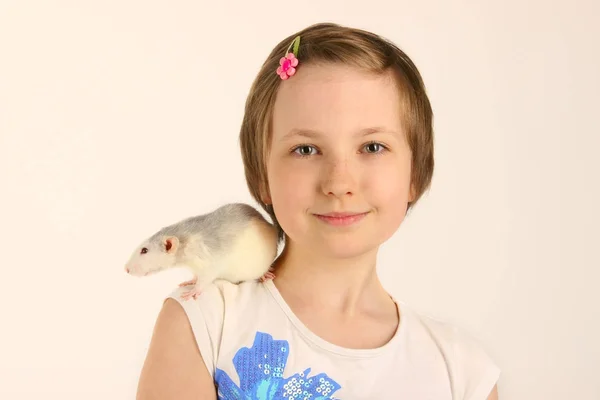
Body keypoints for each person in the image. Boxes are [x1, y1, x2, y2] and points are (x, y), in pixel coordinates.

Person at [136, 22, 501, 399]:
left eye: (373, 147)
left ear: (415, 173)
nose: (339, 182)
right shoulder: (205, 322)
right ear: (262, 175)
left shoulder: (461, 372)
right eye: (306, 149)